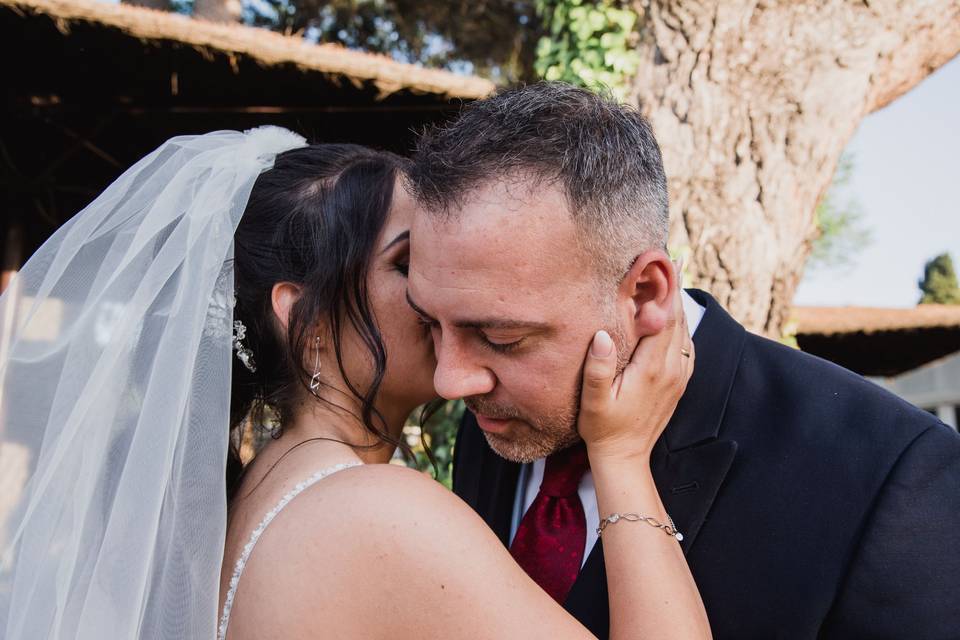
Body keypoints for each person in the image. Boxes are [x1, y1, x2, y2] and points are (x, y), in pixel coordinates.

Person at [0, 127, 711, 639]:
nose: (442, 290)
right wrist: (619, 459)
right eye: (407, 264)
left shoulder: (255, 492)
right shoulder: (374, 513)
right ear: (305, 322)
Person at [405, 81, 960, 639]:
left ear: (646, 292)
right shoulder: (493, 420)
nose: (449, 380)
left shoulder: (896, 476)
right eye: (430, 323)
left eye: (501, 336)